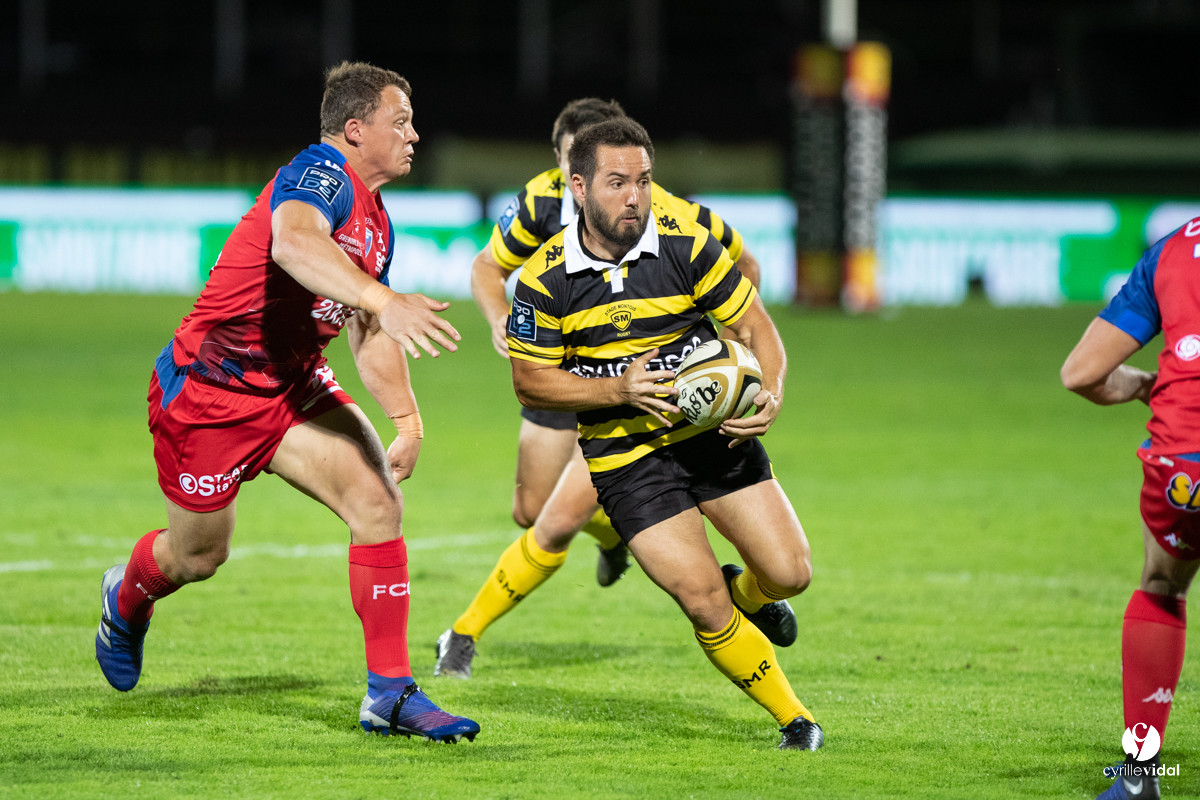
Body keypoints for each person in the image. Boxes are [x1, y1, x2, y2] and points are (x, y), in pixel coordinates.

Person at [93, 61, 479, 744]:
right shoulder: (320, 173)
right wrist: (382, 296)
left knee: (377, 502)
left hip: (292, 386)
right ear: (355, 130)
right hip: (210, 394)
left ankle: (389, 694)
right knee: (198, 558)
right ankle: (127, 595)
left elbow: (365, 325)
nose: (415, 135)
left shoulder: (376, 219)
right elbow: (294, 241)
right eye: (402, 121)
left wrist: (407, 419)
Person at [498, 116, 822, 750]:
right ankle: (796, 719)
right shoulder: (544, 280)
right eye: (617, 182)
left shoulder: (686, 247)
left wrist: (771, 392)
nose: (634, 197)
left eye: (643, 181)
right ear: (578, 185)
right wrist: (616, 390)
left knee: (789, 575)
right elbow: (530, 383)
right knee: (701, 600)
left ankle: (748, 590)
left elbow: (758, 328)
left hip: (712, 436)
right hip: (625, 460)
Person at [434, 98, 764, 679]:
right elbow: (487, 268)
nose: (575, 182)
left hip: (635, 397)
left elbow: (745, 269)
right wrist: (497, 321)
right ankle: (617, 532)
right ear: (566, 165)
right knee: (529, 509)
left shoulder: (663, 211)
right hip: (558, 377)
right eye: (569, 166)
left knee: (556, 520)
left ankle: (461, 634)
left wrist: (724, 355)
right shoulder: (538, 202)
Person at [1061, 219, 1200, 799]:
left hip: (1184, 463)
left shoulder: (1175, 247)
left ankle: (1140, 777)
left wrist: (1147, 383)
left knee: (1161, 586)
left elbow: (1082, 373)